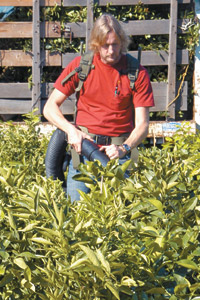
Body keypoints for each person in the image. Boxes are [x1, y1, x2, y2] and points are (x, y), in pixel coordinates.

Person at [43, 13, 154, 201]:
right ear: (96, 44)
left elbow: (143, 125)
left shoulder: (137, 72)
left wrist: (124, 148)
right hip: (83, 154)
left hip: (119, 157)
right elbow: (49, 108)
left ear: (122, 42)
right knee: (76, 214)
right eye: (105, 45)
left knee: (122, 216)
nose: (111, 51)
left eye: (115, 44)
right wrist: (71, 130)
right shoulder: (82, 66)